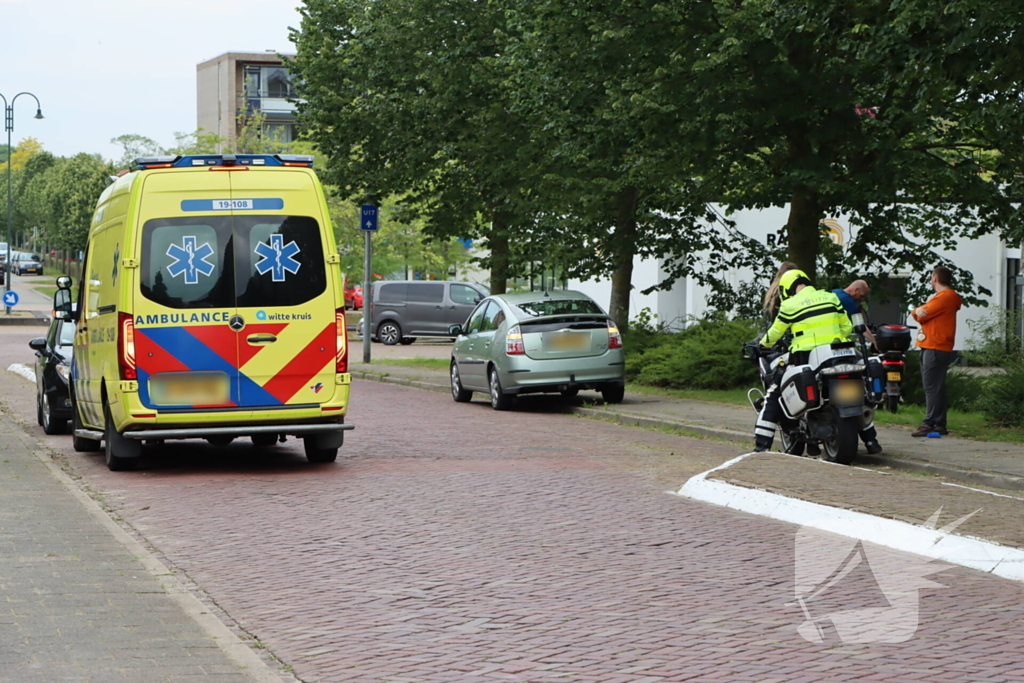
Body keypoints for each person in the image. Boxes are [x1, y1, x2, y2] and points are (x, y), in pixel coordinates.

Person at [754, 269, 874, 453]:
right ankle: (871, 440)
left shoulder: (790, 305)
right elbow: (847, 326)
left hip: (805, 357)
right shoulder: (830, 297)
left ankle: (761, 447)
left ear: (787, 288)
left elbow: (775, 333)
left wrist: (763, 344)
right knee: (856, 394)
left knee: (774, 394)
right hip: (840, 354)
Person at [910, 266, 962, 437]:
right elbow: (921, 312)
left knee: (931, 386)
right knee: (936, 386)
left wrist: (916, 311)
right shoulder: (944, 297)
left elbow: (923, 315)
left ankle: (930, 422)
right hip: (935, 346)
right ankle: (939, 423)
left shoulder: (945, 297)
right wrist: (917, 311)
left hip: (935, 346)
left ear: (934, 279)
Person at [832, 279, 878, 349]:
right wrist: (874, 341)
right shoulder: (847, 300)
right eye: (861, 295)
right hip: (837, 340)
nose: (862, 299)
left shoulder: (834, 292)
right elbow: (860, 326)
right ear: (856, 290)